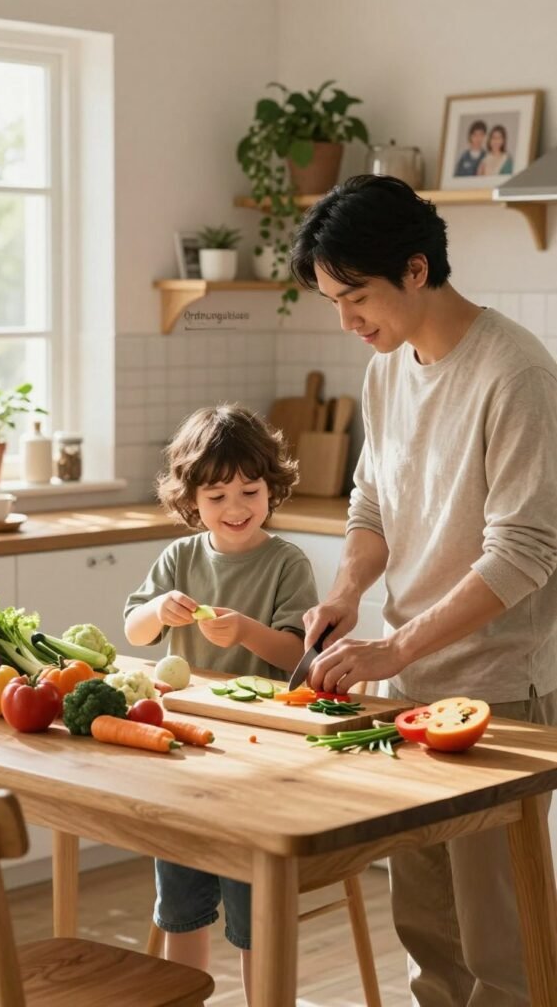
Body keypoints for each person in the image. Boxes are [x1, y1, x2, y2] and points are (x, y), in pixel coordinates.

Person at [290, 173, 557, 1007]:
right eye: (332, 299)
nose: (346, 319)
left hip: (495, 694)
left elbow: (521, 554)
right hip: (407, 689)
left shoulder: (514, 373)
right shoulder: (386, 371)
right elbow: (373, 502)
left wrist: (396, 644)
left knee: (501, 945)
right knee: (427, 934)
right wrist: (346, 592)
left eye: (355, 295)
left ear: (415, 270)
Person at [123, 403, 317, 1007]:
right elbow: (133, 630)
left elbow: (297, 657)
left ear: (271, 489)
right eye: (216, 496)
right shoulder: (179, 559)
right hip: (182, 751)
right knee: (180, 902)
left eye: (249, 491)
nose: (235, 509)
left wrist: (246, 632)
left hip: (257, 759)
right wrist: (158, 611)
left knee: (251, 904)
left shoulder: (287, 563)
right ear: (191, 502)